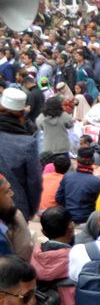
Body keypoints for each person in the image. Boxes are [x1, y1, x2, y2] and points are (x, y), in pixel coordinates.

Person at [0, 88, 42, 220]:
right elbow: (34, 182)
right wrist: (31, 210)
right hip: (14, 209)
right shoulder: (27, 143)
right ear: (22, 113)